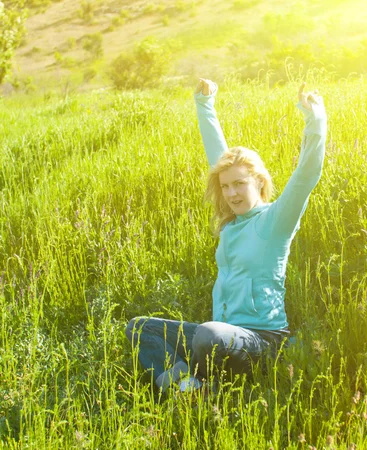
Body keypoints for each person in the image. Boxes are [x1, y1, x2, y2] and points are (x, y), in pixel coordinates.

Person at [125, 79, 327, 393]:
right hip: (223, 335)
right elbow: (218, 158)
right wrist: (205, 104)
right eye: (225, 186)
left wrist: (315, 118)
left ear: (259, 181)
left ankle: (206, 388)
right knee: (140, 328)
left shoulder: (275, 220)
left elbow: (307, 173)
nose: (231, 193)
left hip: (262, 341)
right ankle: (188, 389)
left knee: (208, 334)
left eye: (240, 184)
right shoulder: (232, 224)